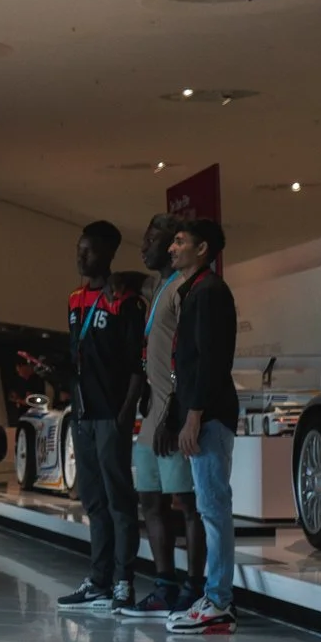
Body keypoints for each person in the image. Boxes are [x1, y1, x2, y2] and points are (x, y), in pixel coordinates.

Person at [57, 220, 144, 612]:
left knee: (119, 501)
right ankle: (99, 580)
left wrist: (125, 413)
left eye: (89, 250)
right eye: (79, 248)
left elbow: (135, 366)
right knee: (93, 501)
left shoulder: (124, 298)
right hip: (83, 413)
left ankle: (124, 581)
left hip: (111, 414)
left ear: (108, 254)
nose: (81, 255)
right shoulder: (76, 299)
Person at [119, 215, 200, 618]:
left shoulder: (185, 290)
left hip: (173, 413)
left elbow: (187, 356)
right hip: (151, 416)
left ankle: (195, 587)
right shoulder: (157, 288)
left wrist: (176, 414)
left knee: (186, 502)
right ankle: (165, 584)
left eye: (153, 238)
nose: (145, 246)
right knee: (149, 501)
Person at [163, 218, 239, 636]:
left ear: (203, 248)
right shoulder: (196, 292)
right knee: (210, 506)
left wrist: (194, 415)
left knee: (213, 508)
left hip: (209, 416)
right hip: (204, 413)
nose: (172, 249)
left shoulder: (209, 292)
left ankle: (219, 601)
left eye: (180, 242)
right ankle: (215, 597)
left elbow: (211, 361)